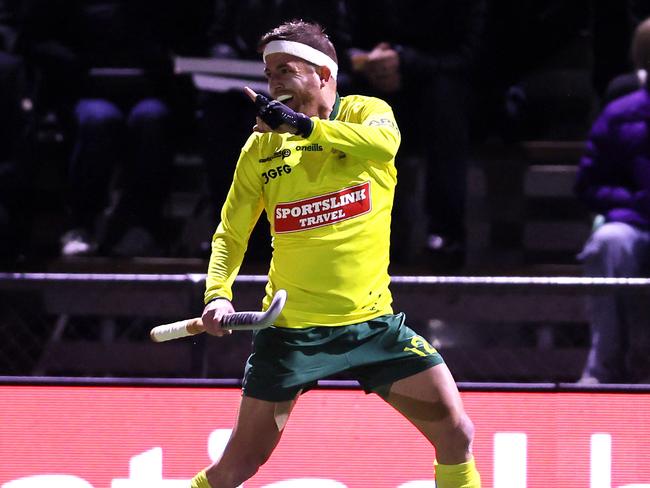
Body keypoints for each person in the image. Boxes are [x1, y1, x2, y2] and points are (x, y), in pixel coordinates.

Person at [190, 20, 481, 488]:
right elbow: (231, 232)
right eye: (268, 74)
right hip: (291, 334)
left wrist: (304, 128)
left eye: (286, 68)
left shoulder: (368, 112)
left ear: (325, 73)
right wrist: (217, 295)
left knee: (456, 434)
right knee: (235, 469)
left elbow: (386, 144)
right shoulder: (260, 147)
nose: (274, 82)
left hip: (372, 327)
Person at [344, 0, 486, 270]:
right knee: (343, 96)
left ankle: (445, 235)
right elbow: (341, 37)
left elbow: (472, 56)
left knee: (445, 98)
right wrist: (367, 62)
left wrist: (405, 61)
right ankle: (359, 230)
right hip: (376, 78)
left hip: (444, 83)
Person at [574, 17, 650, 385]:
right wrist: (633, 203)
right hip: (635, 224)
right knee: (610, 241)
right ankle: (604, 367)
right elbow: (589, 184)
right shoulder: (621, 114)